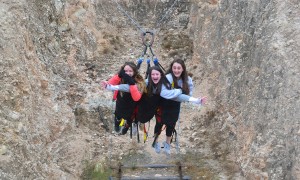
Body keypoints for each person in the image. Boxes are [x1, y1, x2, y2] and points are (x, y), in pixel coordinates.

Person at [154, 58, 206, 155]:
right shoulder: (168, 77)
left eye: (179, 68)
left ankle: (167, 144)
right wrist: (178, 92)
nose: (176, 70)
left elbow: (189, 93)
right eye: (174, 68)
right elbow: (164, 93)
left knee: (171, 124)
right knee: (159, 123)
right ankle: (156, 142)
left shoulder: (187, 80)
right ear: (171, 68)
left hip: (175, 105)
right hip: (163, 104)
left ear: (183, 69)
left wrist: (184, 96)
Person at [101, 62, 146, 135]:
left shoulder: (139, 81)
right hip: (121, 101)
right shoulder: (120, 77)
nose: (127, 73)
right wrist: (119, 75)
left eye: (130, 71)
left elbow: (136, 98)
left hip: (132, 104)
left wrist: (131, 84)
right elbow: (110, 84)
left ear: (134, 72)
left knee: (129, 118)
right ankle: (118, 122)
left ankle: (126, 126)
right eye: (125, 71)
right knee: (118, 114)